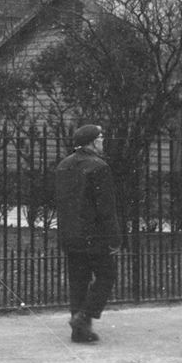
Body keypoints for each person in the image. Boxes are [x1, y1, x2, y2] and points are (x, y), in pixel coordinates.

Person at [54, 124, 121, 343]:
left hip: (70, 234)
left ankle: (79, 330)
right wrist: (114, 238)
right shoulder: (99, 167)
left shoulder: (63, 165)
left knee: (78, 280)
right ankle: (84, 317)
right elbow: (106, 207)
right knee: (107, 274)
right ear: (92, 142)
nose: (103, 142)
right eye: (100, 138)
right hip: (95, 235)